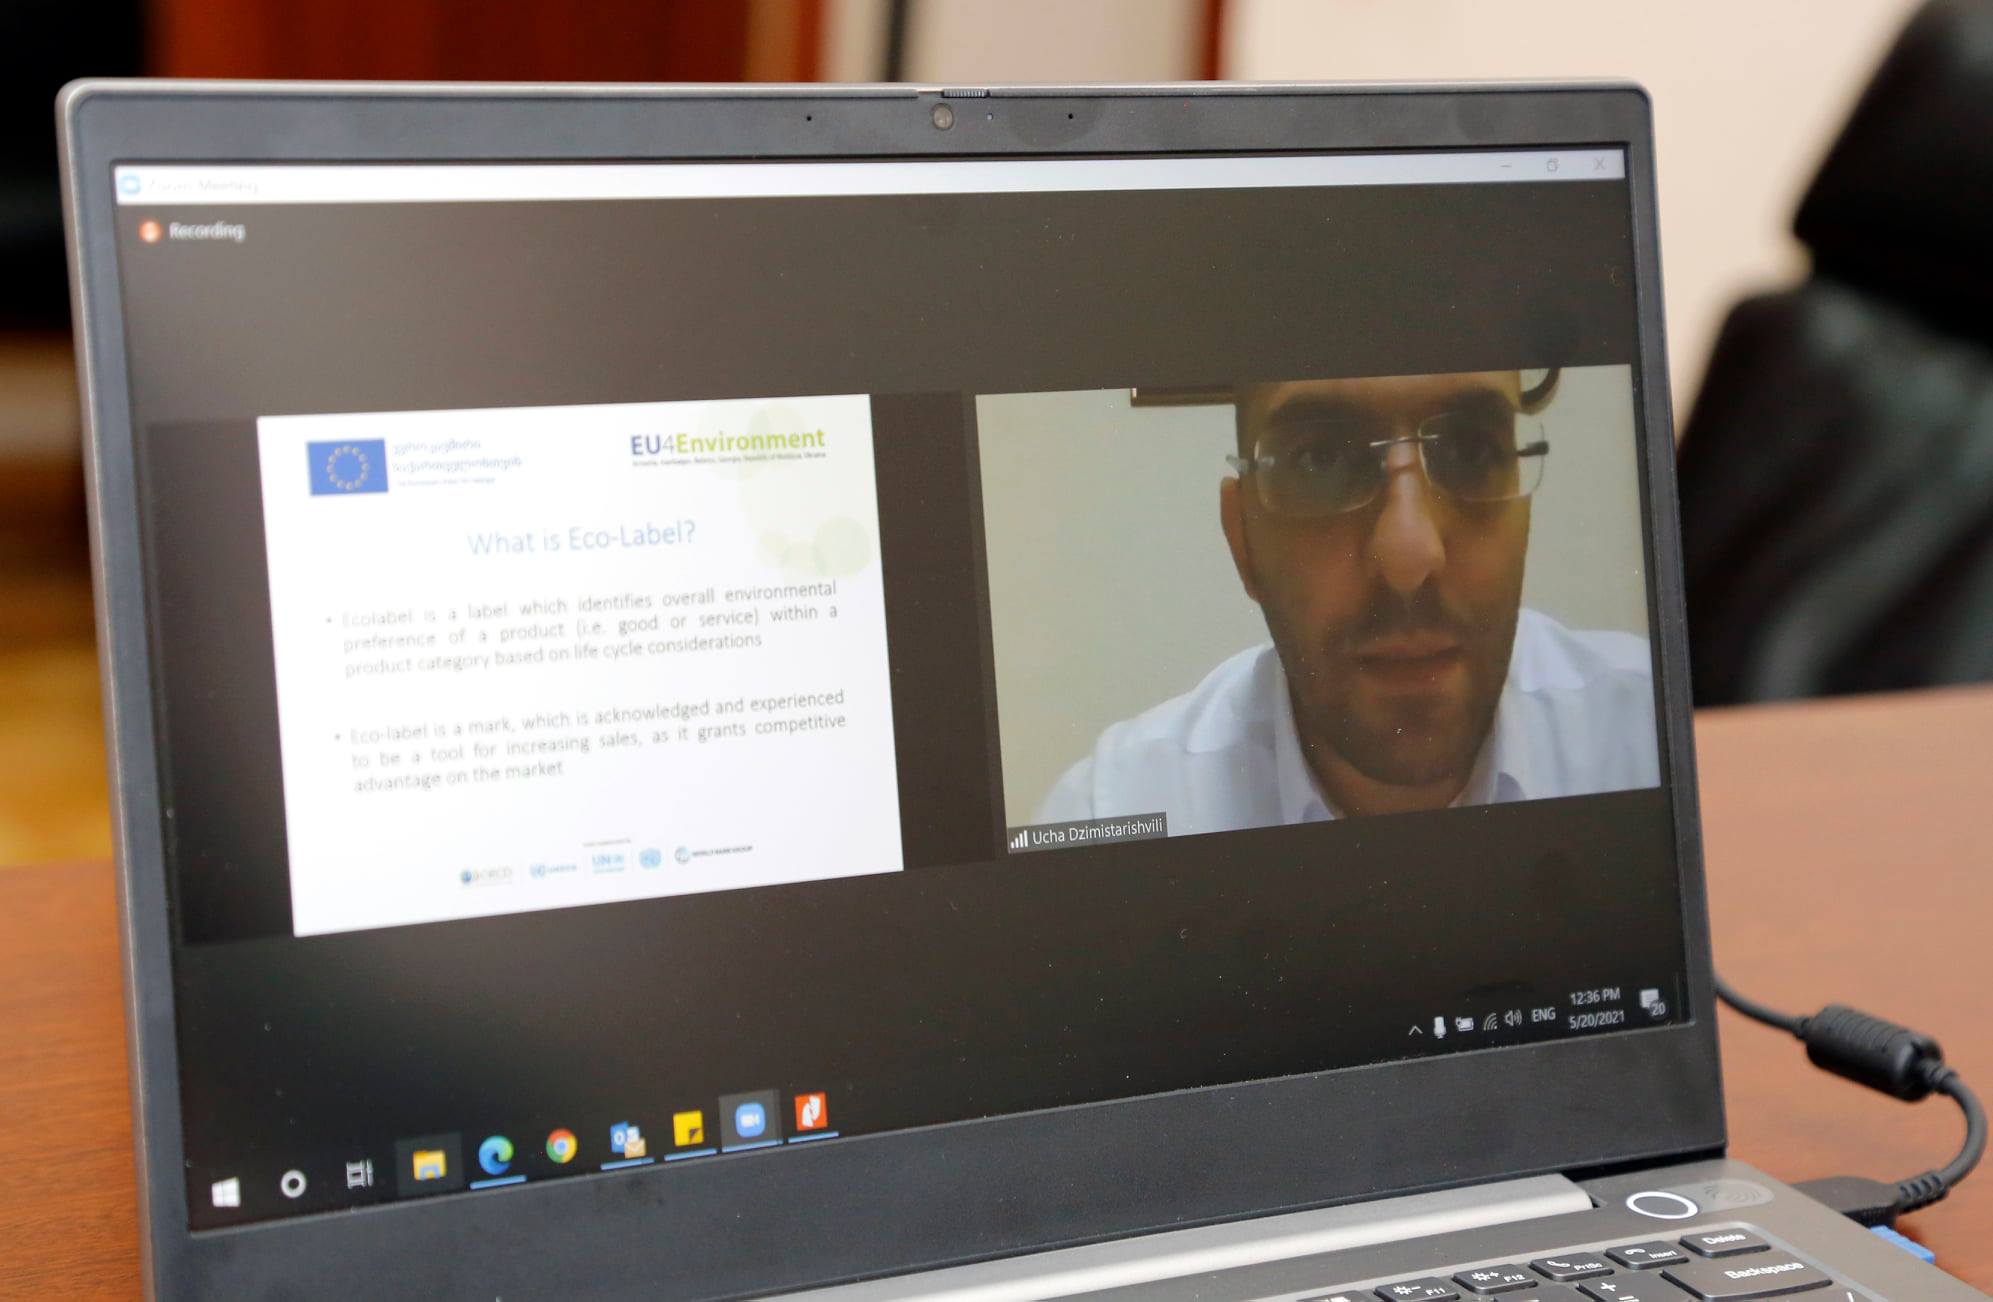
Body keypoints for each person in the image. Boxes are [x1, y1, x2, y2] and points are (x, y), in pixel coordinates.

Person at [1034, 369, 1659, 834]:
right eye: (1321, 460)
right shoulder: (1112, 815)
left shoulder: (1651, 742)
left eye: (1471, 451)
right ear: (1242, 538)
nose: (1409, 556)